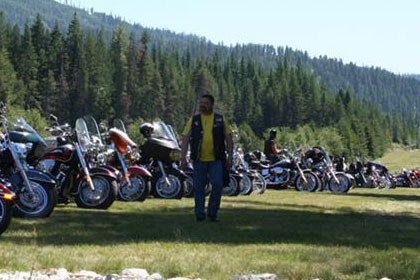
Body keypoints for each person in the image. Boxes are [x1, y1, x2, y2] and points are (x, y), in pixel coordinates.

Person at [181, 94, 233, 222]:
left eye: (205, 103)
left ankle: (212, 213)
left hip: (217, 160)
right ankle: (199, 214)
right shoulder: (194, 120)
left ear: (212, 105)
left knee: (217, 184)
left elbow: (229, 139)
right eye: (201, 103)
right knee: (199, 187)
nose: (202, 105)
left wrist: (230, 157)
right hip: (199, 160)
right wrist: (183, 158)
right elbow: (185, 139)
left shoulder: (220, 120)